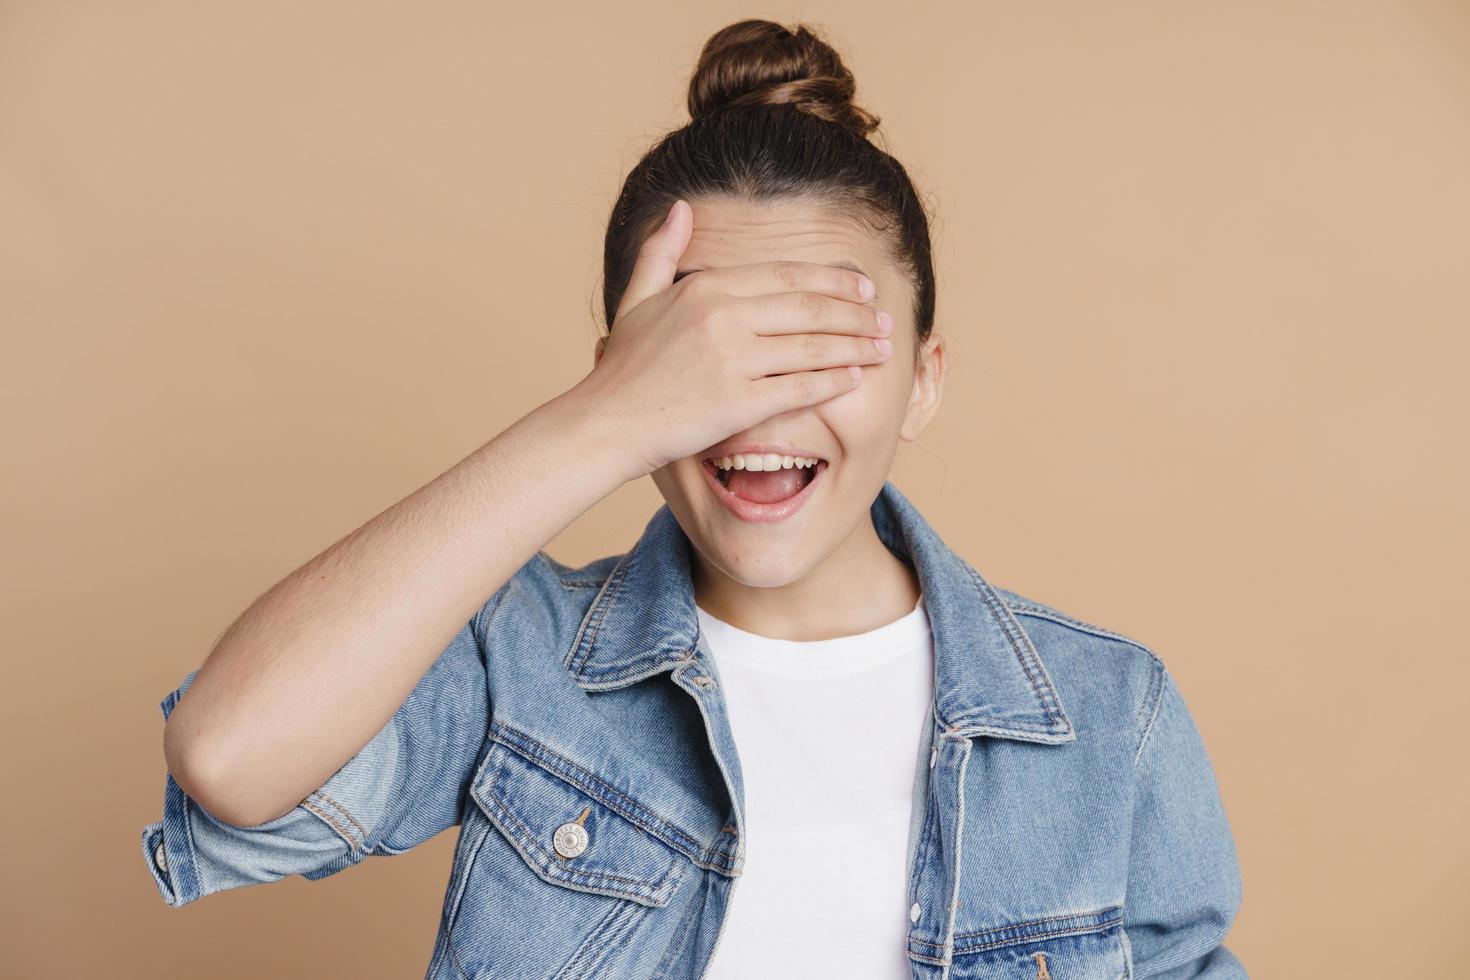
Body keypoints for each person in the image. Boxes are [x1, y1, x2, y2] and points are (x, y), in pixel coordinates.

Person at [139, 18, 1245, 980]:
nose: (756, 409)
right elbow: (232, 758)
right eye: (703, 351)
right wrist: (603, 420)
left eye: (818, 344)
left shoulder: (1111, 716)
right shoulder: (519, 662)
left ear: (926, 379)